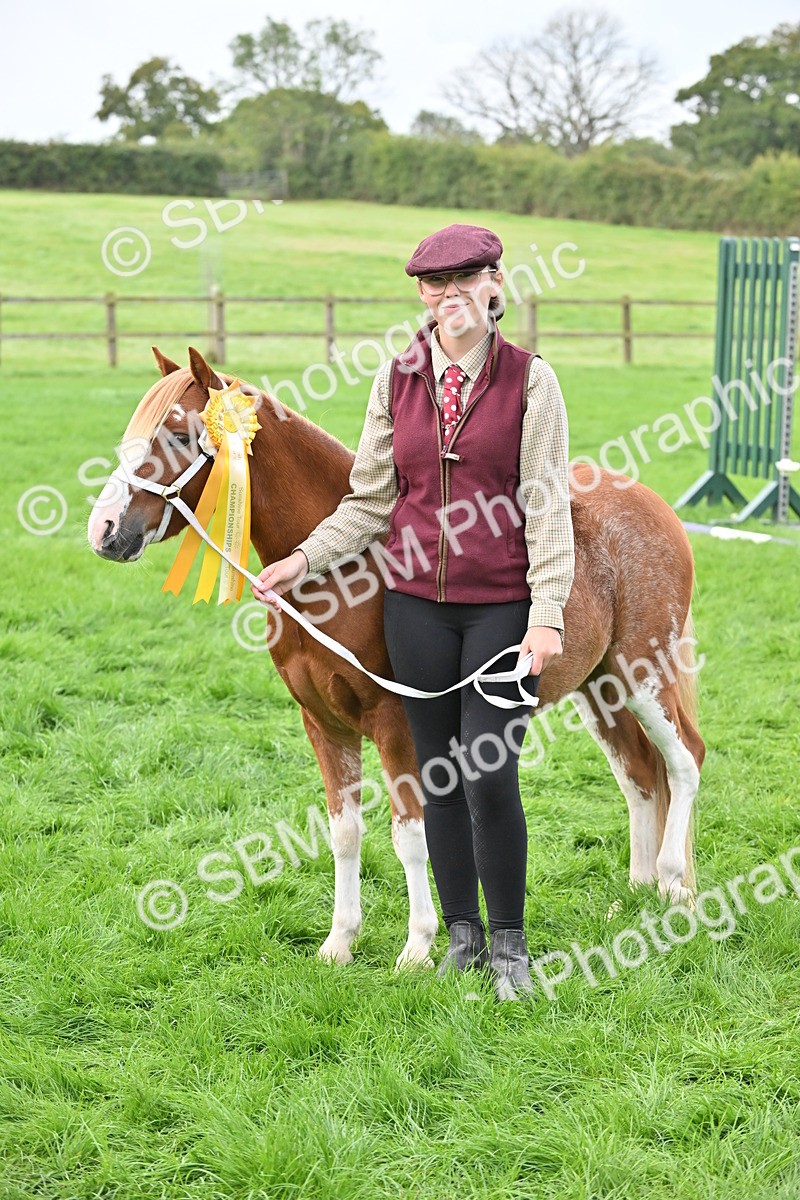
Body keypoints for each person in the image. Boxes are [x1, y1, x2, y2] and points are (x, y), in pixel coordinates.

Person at [252, 223, 575, 1001]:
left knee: (489, 772)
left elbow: (548, 503)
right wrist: (301, 559)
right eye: (434, 285)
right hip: (414, 611)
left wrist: (548, 614)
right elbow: (368, 501)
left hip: (500, 608)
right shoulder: (396, 379)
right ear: (421, 295)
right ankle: (460, 935)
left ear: (496, 285)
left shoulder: (532, 382)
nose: (447, 296)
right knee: (438, 774)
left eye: (465, 281)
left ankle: (509, 949)